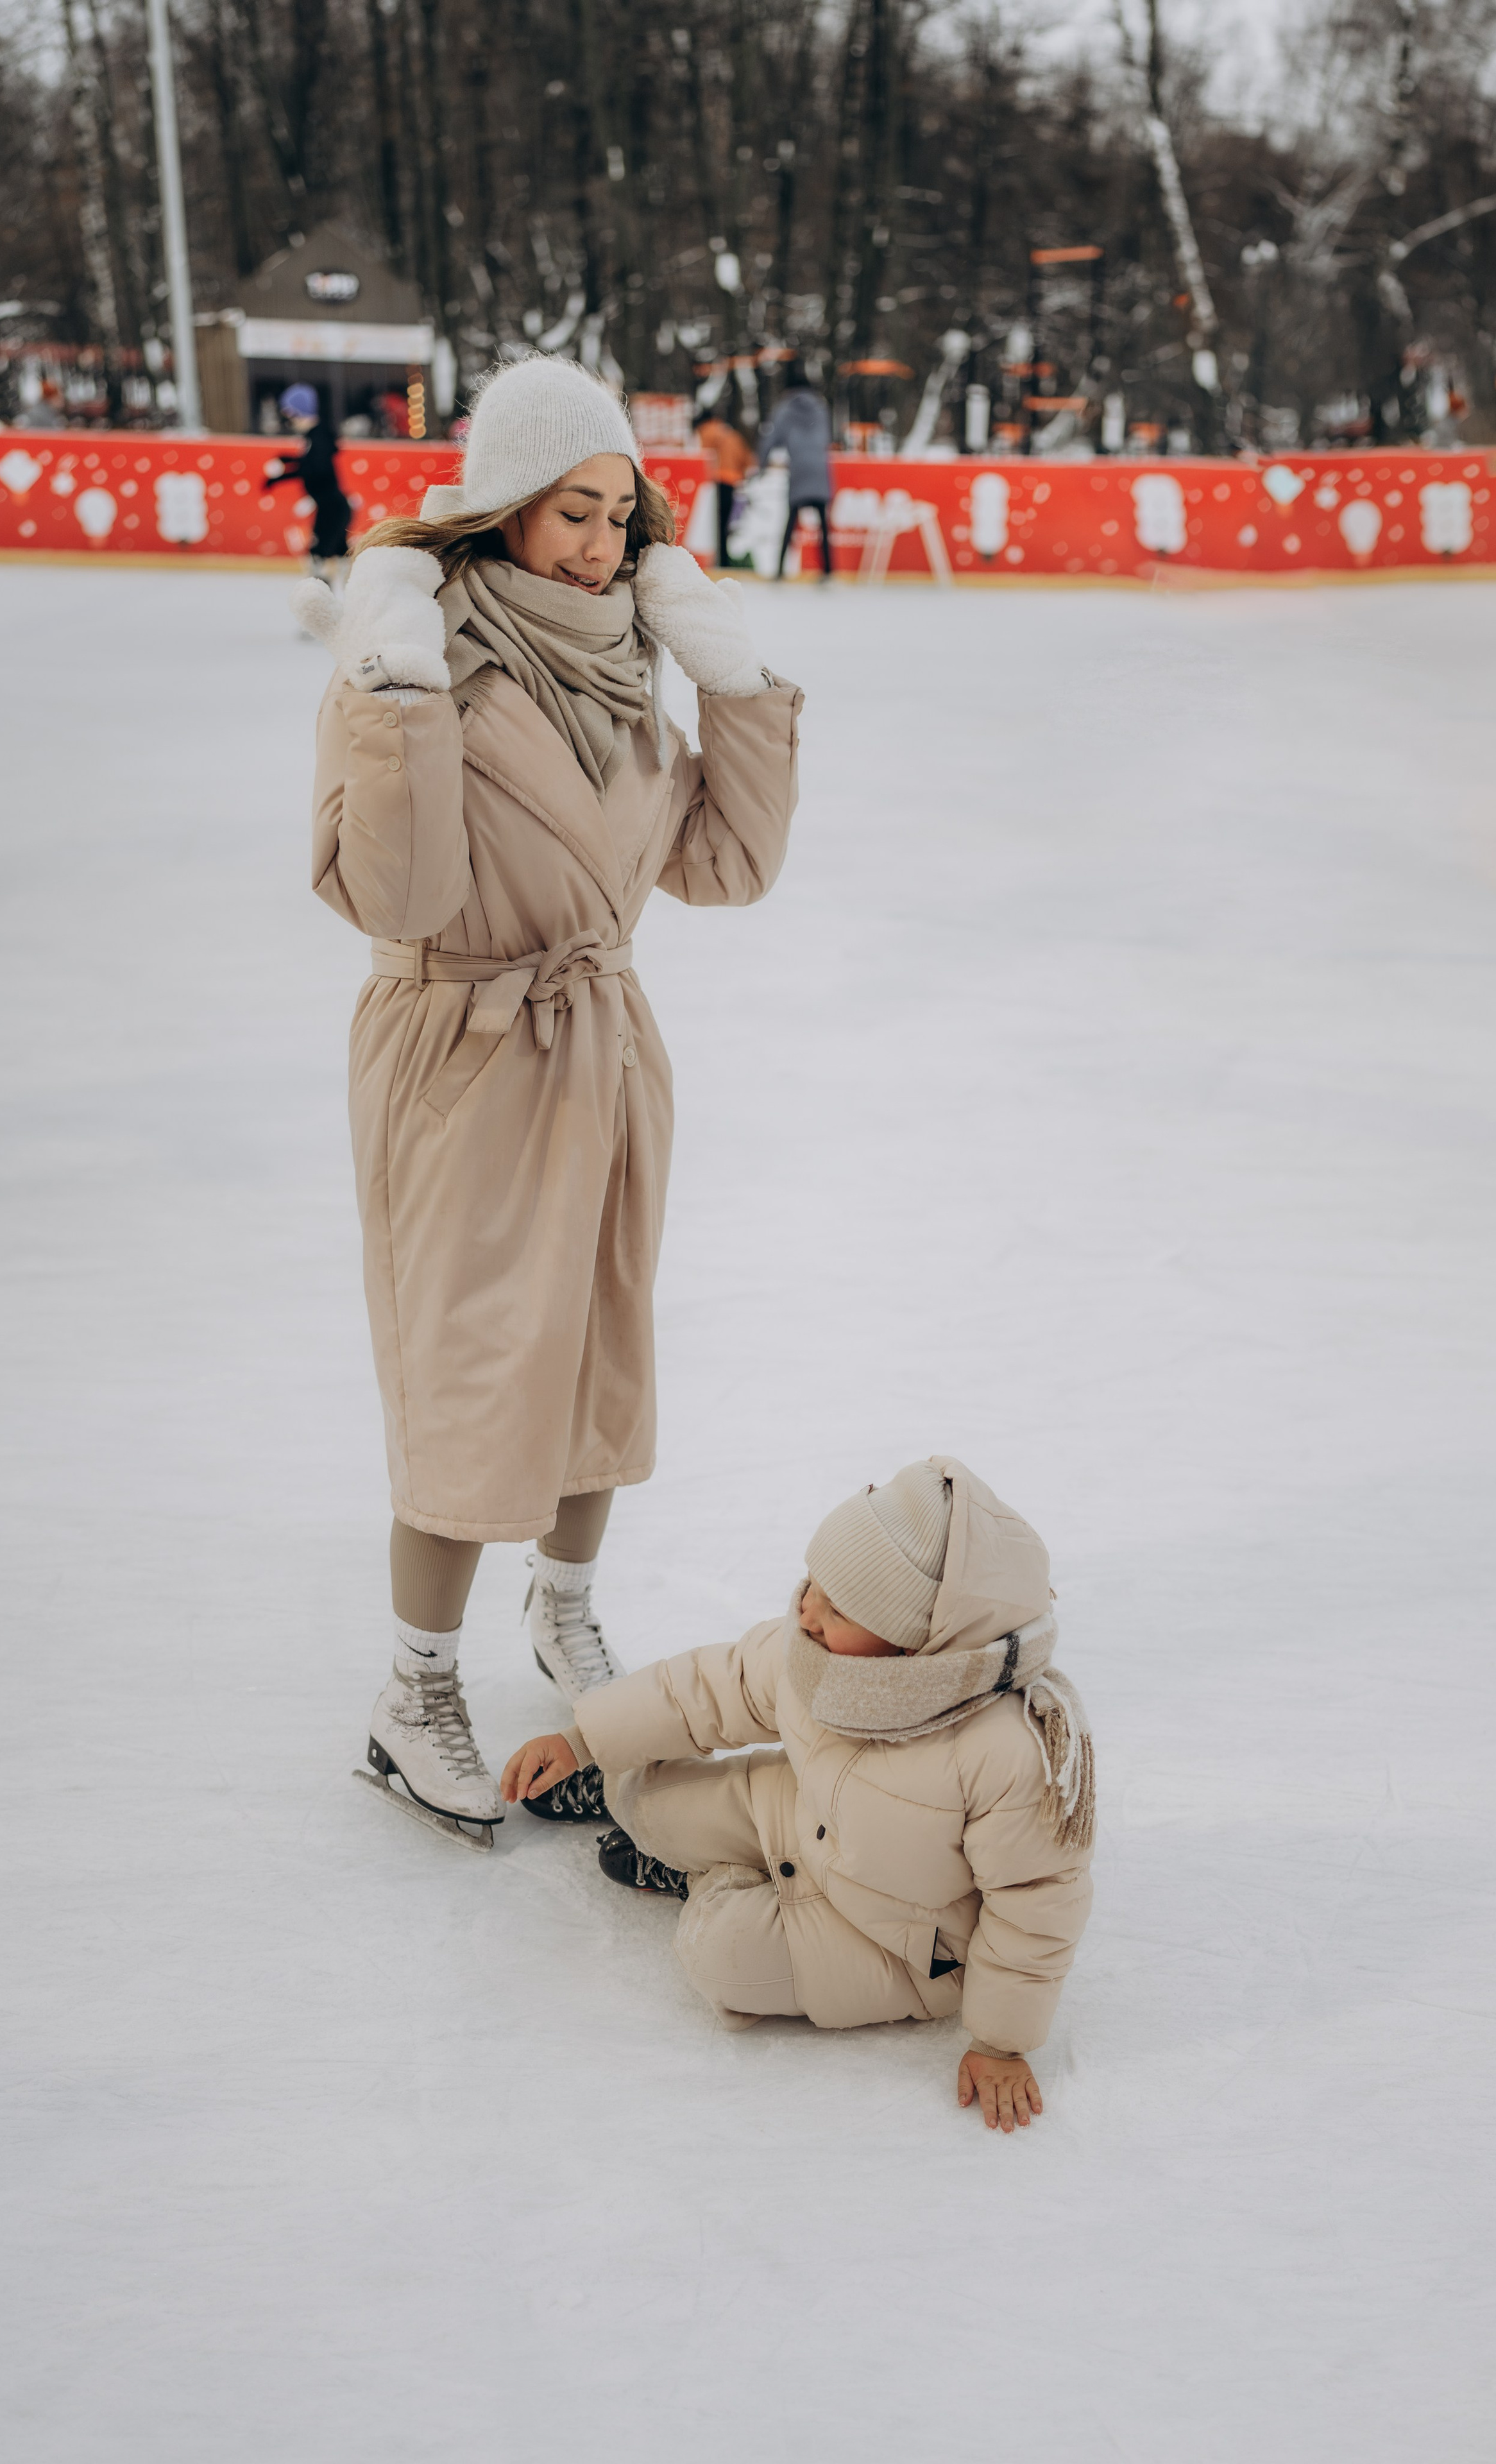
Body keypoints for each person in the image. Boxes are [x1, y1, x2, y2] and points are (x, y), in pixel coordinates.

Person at [295, 356, 803, 1835]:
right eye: (572, 514)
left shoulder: (625, 649)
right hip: (459, 1043)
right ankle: (414, 1683)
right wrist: (393, 693)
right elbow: (400, 888)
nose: (600, 544)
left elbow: (724, 866)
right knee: (470, 1370)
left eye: (618, 515)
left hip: (599, 1035)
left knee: (596, 1350)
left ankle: (564, 1609)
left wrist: (734, 680)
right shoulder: (420, 649)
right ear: (503, 508)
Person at [502, 1457, 1095, 2134]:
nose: (806, 1610)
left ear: (912, 1646)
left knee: (721, 1955)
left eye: (838, 1608)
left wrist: (1001, 2042)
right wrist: (582, 1740)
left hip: (903, 1942)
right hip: (803, 1815)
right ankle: (663, 1830)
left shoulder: (1011, 1752)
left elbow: (1035, 1904)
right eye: (813, 1582)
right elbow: (710, 1687)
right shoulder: (818, 1650)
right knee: (646, 1792)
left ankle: (707, 1882)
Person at [265, 383, 352, 581]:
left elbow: (316, 469)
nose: (290, 421)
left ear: (299, 412)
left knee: (319, 556)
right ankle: (333, 597)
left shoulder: (318, 437)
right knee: (336, 556)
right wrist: (289, 461)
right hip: (331, 507)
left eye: (291, 415)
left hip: (333, 508)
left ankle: (321, 599)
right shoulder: (315, 436)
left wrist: (281, 477)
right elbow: (312, 462)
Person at [758, 363, 833, 579]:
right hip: (820, 467)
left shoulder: (786, 407)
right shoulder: (821, 407)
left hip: (799, 468)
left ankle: (781, 570)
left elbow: (771, 438)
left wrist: (763, 464)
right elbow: (826, 437)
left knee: (791, 521)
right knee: (822, 524)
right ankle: (828, 571)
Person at [693, 406, 754, 569]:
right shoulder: (732, 435)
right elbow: (747, 460)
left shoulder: (705, 431)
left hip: (716, 482)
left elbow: (702, 457)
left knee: (716, 524)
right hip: (732, 482)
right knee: (726, 523)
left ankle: (720, 560)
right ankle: (724, 559)